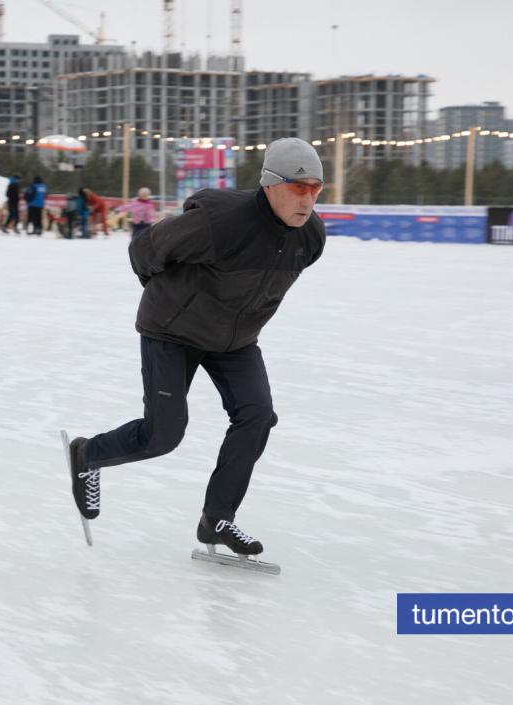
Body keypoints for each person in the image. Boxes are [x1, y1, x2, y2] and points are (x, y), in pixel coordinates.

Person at [64, 137, 327, 557]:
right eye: (299, 187)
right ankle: (89, 454)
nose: (309, 198)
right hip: (173, 331)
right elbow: (145, 250)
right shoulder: (220, 221)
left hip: (235, 342)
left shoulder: (310, 237)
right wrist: (171, 298)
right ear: (269, 184)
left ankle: (217, 519)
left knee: (258, 416)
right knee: (163, 435)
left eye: (316, 188)